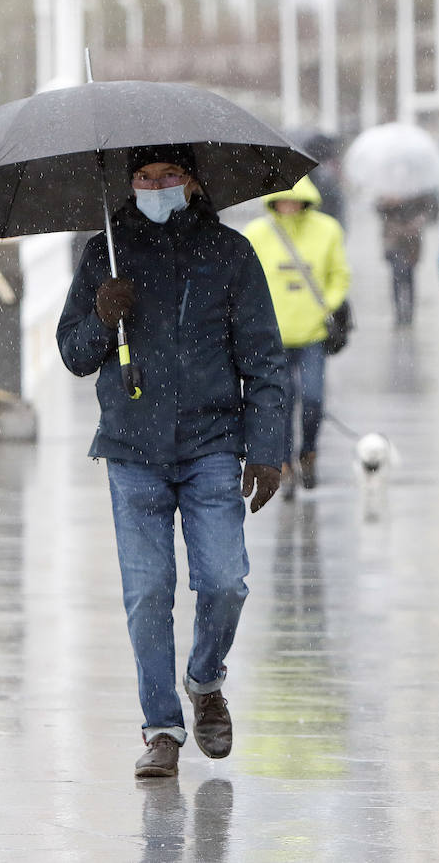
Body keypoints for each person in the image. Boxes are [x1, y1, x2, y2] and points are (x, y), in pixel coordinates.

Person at [56, 146, 287, 778]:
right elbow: (74, 354)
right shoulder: (104, 254)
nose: (156, 186)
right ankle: (161, 728)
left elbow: (264, 357)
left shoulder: (231, 254)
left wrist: (267, 449)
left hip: (212, 444)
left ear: (191, 182)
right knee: (148, 592)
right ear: (129, 184)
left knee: (225, 581)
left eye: (169, 176)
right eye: (144, 177)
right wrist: (102, 316)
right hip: (132, 449)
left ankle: (205, 681)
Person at [243, 176, 351, 497]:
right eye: (282, 199)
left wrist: (327, 306)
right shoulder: (256, 234)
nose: (288, 205)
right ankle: (285, 462)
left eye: (294, 199)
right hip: (273, 336)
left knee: (313, 399)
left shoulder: (327, 230)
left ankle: (309, 452)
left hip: (312, 334)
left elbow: (339, 275)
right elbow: (246, 281)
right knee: (283, 402)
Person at [376, 191, 439, 327]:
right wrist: (389, 202)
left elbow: (431, 210)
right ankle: (398, 312)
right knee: (396, 275)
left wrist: (420, 219)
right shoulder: (387, 187)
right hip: (393, 238)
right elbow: (378, 209)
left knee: (409, 276)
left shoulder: (419, 189)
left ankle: (409, 313)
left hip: (412, 240)